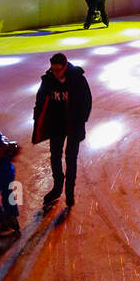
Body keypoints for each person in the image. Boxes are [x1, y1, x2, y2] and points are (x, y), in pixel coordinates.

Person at [32, 52, 93, 209]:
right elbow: (40, 101)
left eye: (59, 69)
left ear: (65, 67)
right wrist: (38, 120)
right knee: (55, 157)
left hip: (73, 125)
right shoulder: (49, 80)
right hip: (56, 125)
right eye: (53, 69)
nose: (56, 73)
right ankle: (57, 187)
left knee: (71, 158)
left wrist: (81, 121)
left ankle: (70, 192)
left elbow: (87, 101)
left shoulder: (77, 79)